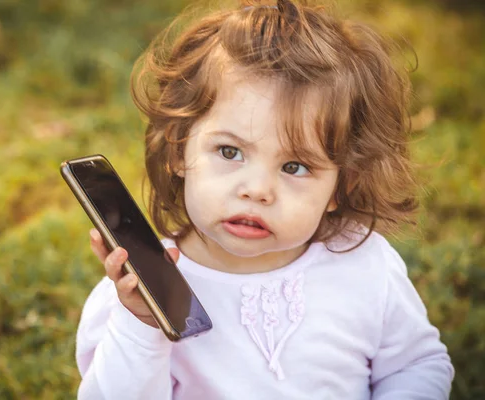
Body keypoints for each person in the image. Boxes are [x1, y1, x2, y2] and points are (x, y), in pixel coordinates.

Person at [75, 1, 454, 398]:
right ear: (178, 151)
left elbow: (414, 365)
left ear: (341, 186)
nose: (257, 190)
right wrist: (141, 327)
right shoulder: (141, 295)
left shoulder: (364, 267)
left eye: (294, 167)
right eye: (229, 152)